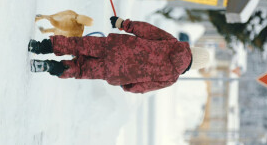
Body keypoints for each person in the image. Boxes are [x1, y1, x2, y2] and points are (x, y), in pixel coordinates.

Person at [28, 16, 210, 94]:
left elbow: (147, 30)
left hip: (115, 47)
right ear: (192, 67)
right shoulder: (171, 78)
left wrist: (124, 24)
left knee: (76, 45)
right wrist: (127, 85)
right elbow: (144, 87)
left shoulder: (172, 43)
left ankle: (40, 47)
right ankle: (49, 67)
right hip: (116, 72)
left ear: (192, 50)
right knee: (80, 69)